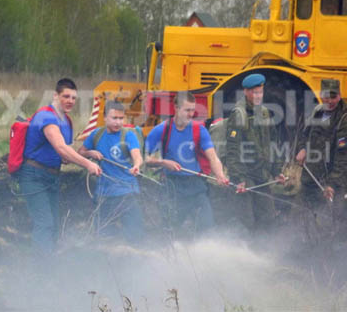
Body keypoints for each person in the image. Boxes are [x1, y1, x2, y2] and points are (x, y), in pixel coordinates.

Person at [17, 78, 101, 256]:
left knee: (54, 222)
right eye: (66, 96)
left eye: (73, 98)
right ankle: (41, 267)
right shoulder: (46, 116)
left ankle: (51, 261)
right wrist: (87, 164)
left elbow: (64, 155)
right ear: (55, 96)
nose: (70, 101)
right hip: (33, 175)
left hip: (52, 177)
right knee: (44, 222)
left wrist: (87, 154)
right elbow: (61, 147)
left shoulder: (67, 121)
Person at [145, 91, 227, 235]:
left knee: (207, 226)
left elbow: (213, 157)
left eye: (193, 110)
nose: (191, 114)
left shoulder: (199, 130)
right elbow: (146, 159)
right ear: (176, 108)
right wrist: (163, 162)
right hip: (172, 186)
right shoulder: (161, 130)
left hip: (195, 185)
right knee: (171, 228)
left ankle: (208, 253)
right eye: (187, 110)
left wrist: (220, 175)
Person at [225, 73, 285, 233]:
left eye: (260, 92)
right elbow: (232, 150)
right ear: (246, 92)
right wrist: (239, 178)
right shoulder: (238, 114)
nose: (258, 96)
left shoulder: (264, 112)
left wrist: (277, 171)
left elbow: (273, 144)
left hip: (263, 175)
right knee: (246, 221)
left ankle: (264, 252)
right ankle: (242, 253)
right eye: (254, 92)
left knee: (267, 218)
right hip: (246, 176)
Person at [78, 101, 144, 244]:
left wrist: (137, 165)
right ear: (105, 117)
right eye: (114, 118)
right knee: (102, 235)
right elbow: (80, 153)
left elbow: (137, 155)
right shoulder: (96, 134)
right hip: (104, 195)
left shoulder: (129, 135)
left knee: (136, 235)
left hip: (127, 192)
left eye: (121, 118)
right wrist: (91, 153)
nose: (118, 122)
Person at [295, 79, 347, 238]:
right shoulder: (318, 110)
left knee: (330, 222)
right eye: (326, 97)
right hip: (310, 176)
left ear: (339, 96)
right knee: (303, 216)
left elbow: (342, 156)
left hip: (331, 182)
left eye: (333, 97)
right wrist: (302, 149)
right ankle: (305, 248)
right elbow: (304, 134)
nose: (329, 101)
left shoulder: (343, 118)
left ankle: (329, 257)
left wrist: (332, 183)